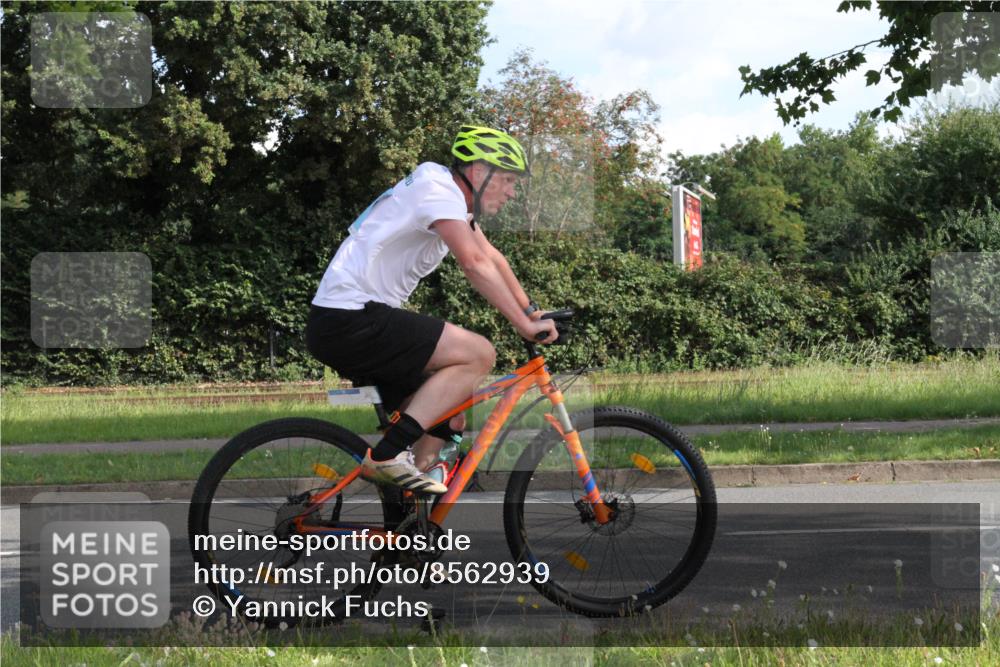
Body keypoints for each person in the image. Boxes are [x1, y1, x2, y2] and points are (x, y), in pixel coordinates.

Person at [305, 125, 558, 495]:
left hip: (353, 320)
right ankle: (387, 457)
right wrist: (521, 323)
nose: (511, 191)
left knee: (448, 415)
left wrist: (532, 311)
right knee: (479, 353)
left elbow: (491, 257)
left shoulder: (450, 199)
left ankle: (408, 530)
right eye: (506, 180)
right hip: (351, 317)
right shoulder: (437, 190)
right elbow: (472, 263)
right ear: (478, 172)